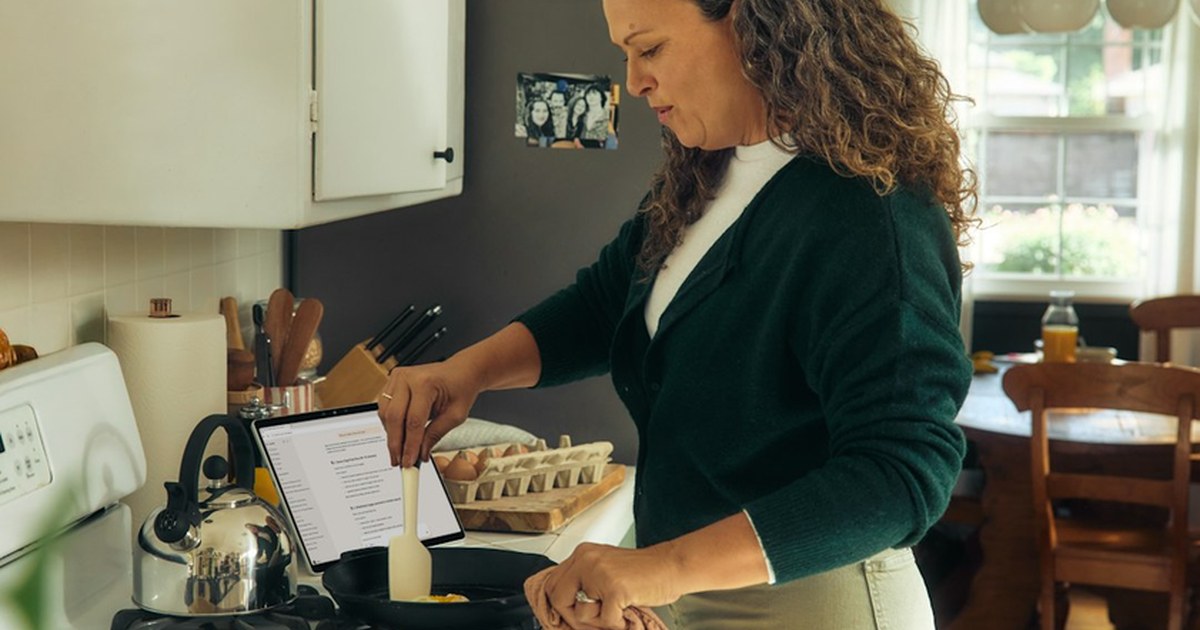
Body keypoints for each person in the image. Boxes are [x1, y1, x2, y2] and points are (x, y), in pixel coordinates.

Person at [377, 0, 976, 627]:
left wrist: (663, 568)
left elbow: (900, 471)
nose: (634, 81)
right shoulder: (709, 170)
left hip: (816, 598)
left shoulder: (871, 212)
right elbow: (603, 306)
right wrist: (466, 373)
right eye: (626, 55)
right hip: (687, 585)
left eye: (650, 49)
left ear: (753, 24)